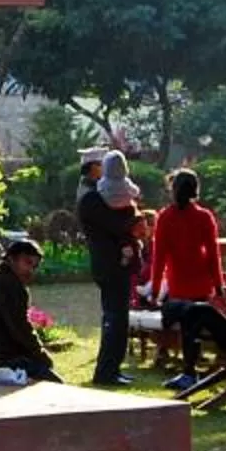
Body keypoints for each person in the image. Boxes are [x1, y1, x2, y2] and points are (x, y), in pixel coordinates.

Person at [146, 170, 226, 391]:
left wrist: (154, 290)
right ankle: (193, 369)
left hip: (179, 281)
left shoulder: (165, 217)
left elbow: (159, 257)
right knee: (196, 325)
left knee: (186, 326)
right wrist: (219, 287)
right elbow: (212, 255)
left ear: (173, 190)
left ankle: (189, 371)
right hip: (201, 281)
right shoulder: (204, 217)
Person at [79, 148, 142, 387]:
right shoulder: (93, 201)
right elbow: (120, 225)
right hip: (110, 264)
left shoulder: (96, 198)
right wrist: (132, 222)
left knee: (118, 317)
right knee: (115, 318)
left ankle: (113, 367)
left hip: (112, 264)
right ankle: (106, 371)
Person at [0, 238, 61, 385]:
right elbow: (21, 330)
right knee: (56, 384)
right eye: (27, 263)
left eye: (34, 266)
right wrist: (44, 358)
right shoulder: (10, 285)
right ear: (11, 259)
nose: (31, 271)